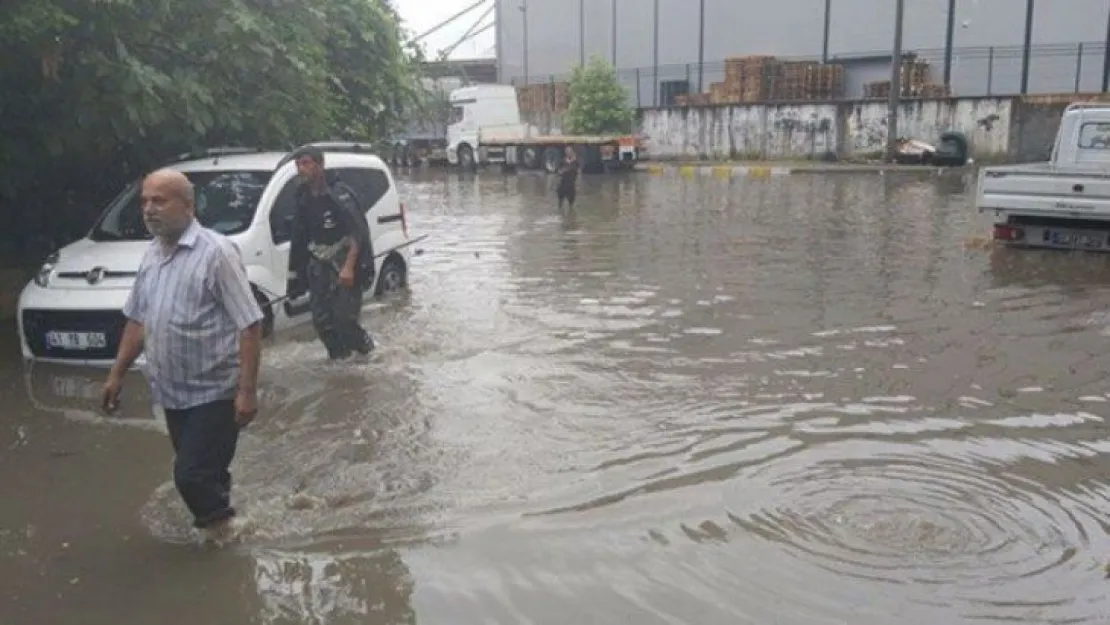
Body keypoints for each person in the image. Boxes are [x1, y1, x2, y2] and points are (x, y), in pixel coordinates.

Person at [100, 168, 264, 545]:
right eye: (144, 201)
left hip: (215, 390)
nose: (149, 209)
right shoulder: (152, 255)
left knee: (189, 475)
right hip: (171, 391)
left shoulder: (217, 253)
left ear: (188, 206)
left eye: (160, 200)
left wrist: (247, 391)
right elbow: (138, 319)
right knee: (206, 471)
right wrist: (116, 374)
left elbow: (249, 325)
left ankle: (225, 534)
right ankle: (221, 522)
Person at [285, 146, 375, 360]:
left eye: (306, 163)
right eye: (298, 164)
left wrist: (349, 267)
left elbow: (358, 232)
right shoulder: (302, 196)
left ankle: (368, 354)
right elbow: (299, 237)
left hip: (346, 259)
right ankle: (340, 361)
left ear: (320, 165)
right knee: (322, 321)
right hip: (318, 261)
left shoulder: (339, 194)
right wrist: (295, 277)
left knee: (345, 319)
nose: (301, 169)